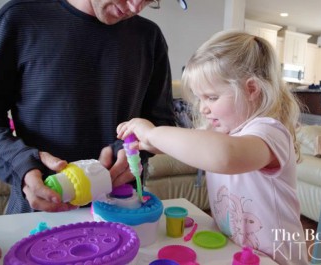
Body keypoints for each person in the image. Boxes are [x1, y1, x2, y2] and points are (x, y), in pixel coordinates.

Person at [117, 30, 308, 265]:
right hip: (235, 251)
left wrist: (153, 133)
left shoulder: (269, 132)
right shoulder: (220, 133)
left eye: (211, 97)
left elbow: (225, 155)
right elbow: (196, 146)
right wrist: (156, 145)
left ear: (251, 90)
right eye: (200, 99)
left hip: (277, 259)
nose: (203, 108)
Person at [0, 0, 186, 214]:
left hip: (121, 211)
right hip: (39, 212)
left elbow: (160, 121)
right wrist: (22, 164)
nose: (136, 6)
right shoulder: (19, 19)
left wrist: (132, 148)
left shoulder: (149, 36)